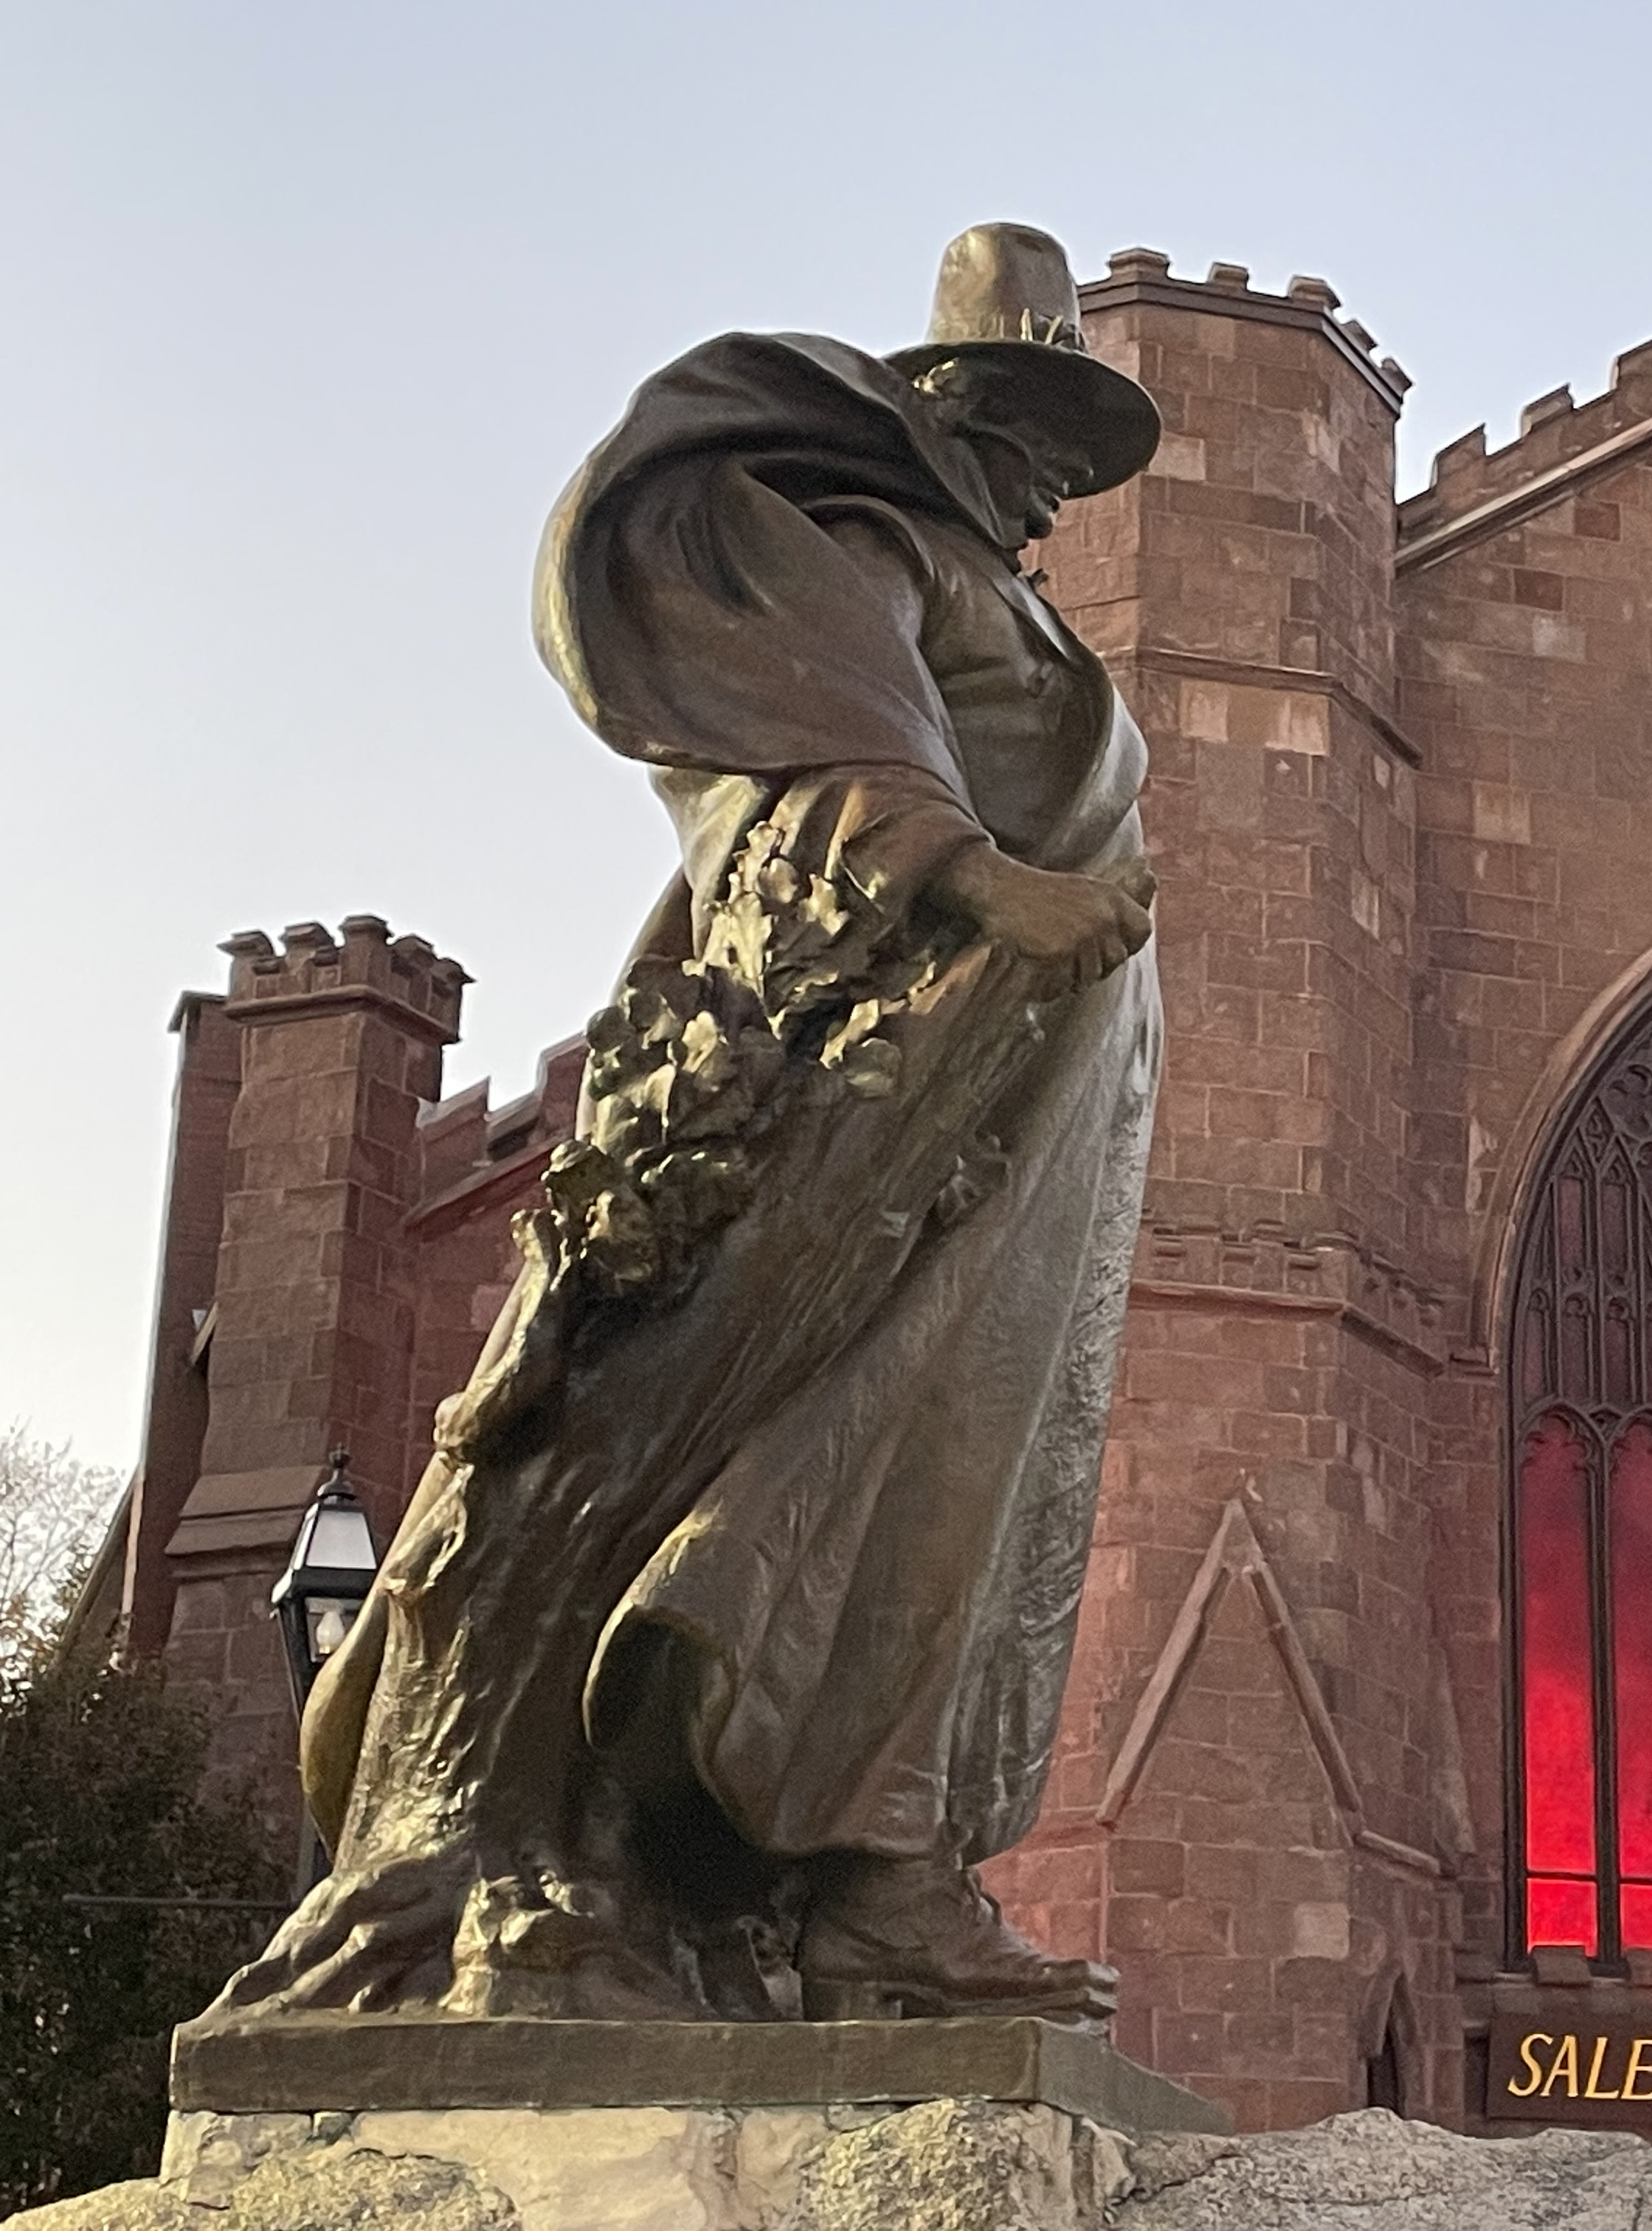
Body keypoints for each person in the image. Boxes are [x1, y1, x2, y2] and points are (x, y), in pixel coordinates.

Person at [213, 224, 1162, 2024]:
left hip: (1036, 1107)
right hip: (882, 1082)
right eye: (1026, 434)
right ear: (941, 411)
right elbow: (820, 750)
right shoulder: (876, 556)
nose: (1047, 488)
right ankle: (537, 1848)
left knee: (954, 1473)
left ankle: (878, 1877)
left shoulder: (1019, 604)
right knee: (797, 1432)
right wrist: (989, 887)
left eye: (1070, 455)